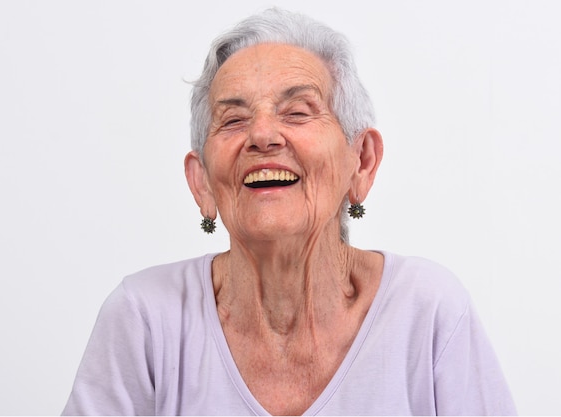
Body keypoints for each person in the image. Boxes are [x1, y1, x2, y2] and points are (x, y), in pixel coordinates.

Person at [63, 8, 516, 416]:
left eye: (298, 112)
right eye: (234, 120)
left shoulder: (428, 312)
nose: (262, 135)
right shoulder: (143, 318)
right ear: (201, 181)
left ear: (361, 162)